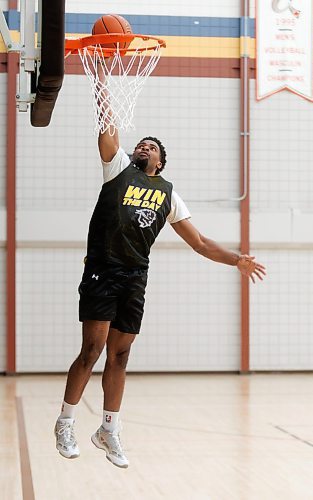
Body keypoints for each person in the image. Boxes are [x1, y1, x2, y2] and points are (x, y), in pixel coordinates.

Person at [54, 124, 266, 468]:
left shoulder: (168, 194)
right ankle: (65, 422)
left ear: (160, 162)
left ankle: (108, 429)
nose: (143, 147)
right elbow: (106, 135)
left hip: (135, 278)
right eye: (141, 144)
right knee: (91, 350)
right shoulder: (118, 168)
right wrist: (102, 83)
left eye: (151, 147)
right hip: (102, 270)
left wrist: (236, 259)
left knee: (119, 356)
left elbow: (199, 243)